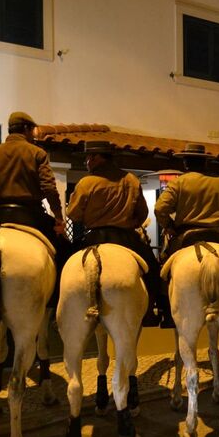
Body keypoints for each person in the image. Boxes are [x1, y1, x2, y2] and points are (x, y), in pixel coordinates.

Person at [66, 140, 162, 327]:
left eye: (88, 158)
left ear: (96, 158)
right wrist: (129, 222)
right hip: (126, 238)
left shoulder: (86, 182)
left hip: (93, 236)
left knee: (65, 265)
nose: (86, 162)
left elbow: (73, 213)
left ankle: (64, 308)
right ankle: (150, 310)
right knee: (152, 271)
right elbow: (142, 213)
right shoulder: (131, 180)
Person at [0, 111, 66, 240]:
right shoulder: (37, 153)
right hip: (31, 215)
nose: (33, 135)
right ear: (26, 128)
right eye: (32, 130)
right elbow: (49, 189)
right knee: (61, 246)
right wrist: (58, 216)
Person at [154, 143, 219, 257]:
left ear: (185, 163)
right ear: (205, 162)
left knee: (165, 262)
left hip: (185, 235)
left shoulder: (178, 183)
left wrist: (169, 226)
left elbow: (160, 209)